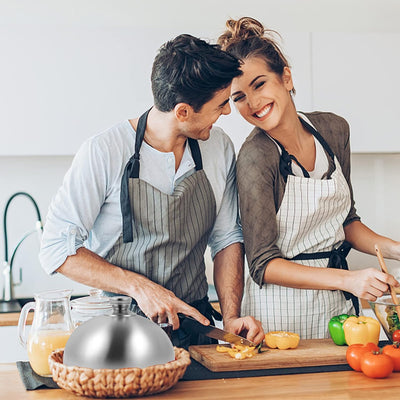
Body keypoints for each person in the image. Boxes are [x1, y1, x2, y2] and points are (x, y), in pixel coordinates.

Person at [39, 34, 264, 347]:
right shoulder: (104, 152)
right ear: (183, 111)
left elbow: (226, 239)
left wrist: (230, 318)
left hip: (194, 327)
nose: (227, 112)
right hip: (117, 333)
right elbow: (56, 248)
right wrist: (140, 287)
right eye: (220, 105)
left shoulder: (219, 147)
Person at [217, 17, 400, 339]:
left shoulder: (333, 130)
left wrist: (395, 249)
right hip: (279, 315)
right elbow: (262, 264)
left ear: (285, 77)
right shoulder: (256, 157)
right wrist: (351, 280)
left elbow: (347, 222)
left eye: (259, 84)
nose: (253, 103)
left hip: (339, 308)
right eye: (239, 97)